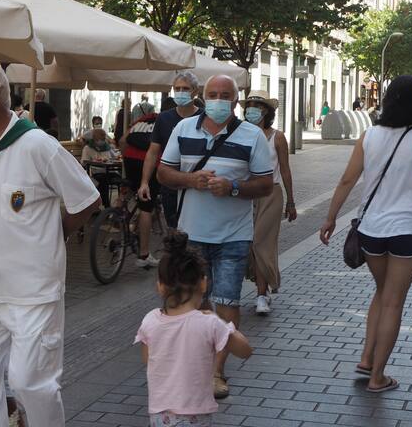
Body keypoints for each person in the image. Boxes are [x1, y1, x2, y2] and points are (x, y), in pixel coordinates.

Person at [0, 58, 100, 426]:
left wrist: (56, 234)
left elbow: (87, 199)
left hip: (33, 293)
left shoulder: (38, 146)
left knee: (31, 384)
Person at [158, 75, 273, 399]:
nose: (219, 100)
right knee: (194, 303)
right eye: (213, 94)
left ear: (235, 101)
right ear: (203, 97)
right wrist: (190, 179)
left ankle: (217, 372)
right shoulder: (183, 129)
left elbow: (265, 184)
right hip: (192, 235)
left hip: (233, 236)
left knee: (227, 302)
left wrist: (233, 187)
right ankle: (197, 362)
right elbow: (164, 173)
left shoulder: (252, 135)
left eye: (225, 95)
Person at [320, 75, 412, 394]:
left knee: (382, 291)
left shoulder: (368, 136)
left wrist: (330, 218)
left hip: (370, 229)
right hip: (407, 231)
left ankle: (366, 358)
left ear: (387, 101)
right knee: (393, 303)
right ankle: (378, 377)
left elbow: (347, 180)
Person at [135, 234, 252, 427]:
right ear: (204, 284)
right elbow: (245, 350)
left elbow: (149, 360)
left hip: (160, 414)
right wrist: (222, 324)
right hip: (195, 415)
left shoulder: (150, 321)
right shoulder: (209, 323)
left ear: (161, 287)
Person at [241, 90, 297, 315]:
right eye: (249, 105)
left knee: (260, 242)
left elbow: (285, 170)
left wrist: (291, 202)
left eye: (258, 106)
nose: (252, 110)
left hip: (270, 194)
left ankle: (261, 295)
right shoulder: (240, 134)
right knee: (247, 244)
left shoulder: (277, 137)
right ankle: (260, 288)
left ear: (267, 111)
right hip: (245, 193)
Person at [140, 71, 203, 230]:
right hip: (170, 184)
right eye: (177, 89)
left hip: (197, 184)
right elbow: (152, 152)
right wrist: (144, 182)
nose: (181, 92)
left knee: (195, 230)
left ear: (195, 91)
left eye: (185, 88)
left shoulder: (205, 117)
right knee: (174, 231)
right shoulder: (164, 118)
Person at [120, 110, 160, 267]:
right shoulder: (166, 122)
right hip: (150, 164)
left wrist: (126, 158)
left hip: (130, 161)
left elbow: (122, 141)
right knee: (146, 207)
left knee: (133, 188)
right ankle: (144, 255)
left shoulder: (141, 121)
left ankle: (118, 213)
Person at [81, 128, 121, 208]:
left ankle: (119, 205)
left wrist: (118, 156)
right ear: (94, 139)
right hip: (96, 173)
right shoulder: (88, 148)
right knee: (103, 180)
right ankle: (106, 205)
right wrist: (94, 161)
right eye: (99, 139)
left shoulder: (107, 147)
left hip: (110, 171)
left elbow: (115, 156)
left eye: (103, 139)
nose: (101, 141)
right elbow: (84, 162)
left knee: (122, 179)